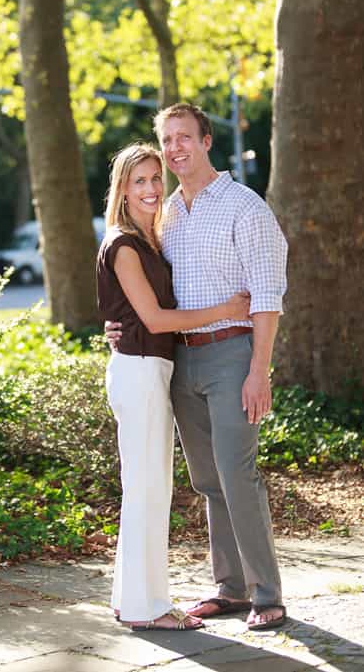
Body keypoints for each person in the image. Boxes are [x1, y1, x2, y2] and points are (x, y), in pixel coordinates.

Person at [108, 103, 288, 631]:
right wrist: (118, 327)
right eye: (167, 140)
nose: (175, 149)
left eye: (184, 137)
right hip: (181, 358)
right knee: (208, 480)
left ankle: (267, 593)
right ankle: (229, 588)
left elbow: (267, 296)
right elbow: (148, 297)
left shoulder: (244, 208)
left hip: (233, 353)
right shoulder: (164, 214)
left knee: (238, 474)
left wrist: (260, 369)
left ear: (207, 141)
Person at [97, 142, 250, 631]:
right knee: (147, 492)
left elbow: (135, 314)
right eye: (138, 180)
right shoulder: (123, 245)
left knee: (143, 490)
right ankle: (150, 609)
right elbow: (156, 318)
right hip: (140, 372)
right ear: (122, 188)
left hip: (148, 368)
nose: (150, 188)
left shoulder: (149, 241)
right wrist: (226, 310)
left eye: (154, 178)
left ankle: (130, 599)